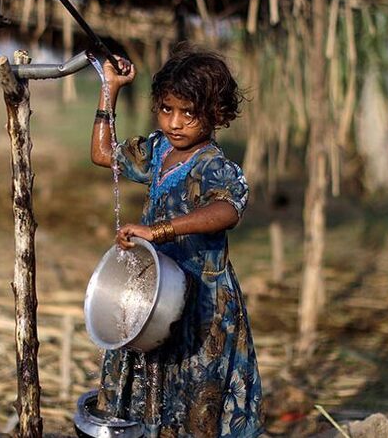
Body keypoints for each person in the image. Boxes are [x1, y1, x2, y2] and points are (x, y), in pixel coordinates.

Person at [90, 44, 263, 437]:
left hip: (202, 307)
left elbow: (227, 212)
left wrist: (159, 231)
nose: (175, 123)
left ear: (216, 114)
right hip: (157, 295)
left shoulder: (215, 165)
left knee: (196, 398)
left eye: (189, 113)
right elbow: (102, 153)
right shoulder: (158, 151)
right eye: (167, 109)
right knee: (153, 390)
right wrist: (110, 88)